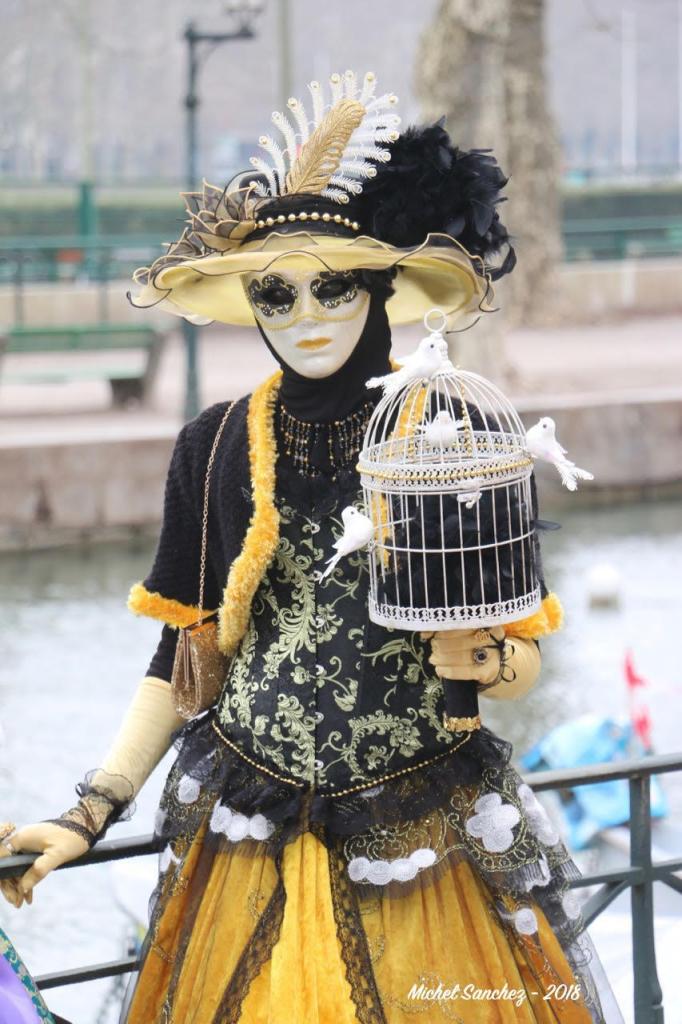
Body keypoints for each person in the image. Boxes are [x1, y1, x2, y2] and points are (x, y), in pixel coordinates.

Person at [0, 71, 624, 1023]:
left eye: (332, 285)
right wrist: (89, 813)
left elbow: (521, 651)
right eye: (274, 295)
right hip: (246, 832)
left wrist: (488, 658)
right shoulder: (212, 445)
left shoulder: (445, 428)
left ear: (379, 288)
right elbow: (182, 654)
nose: (305, 316)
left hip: (423, 839)